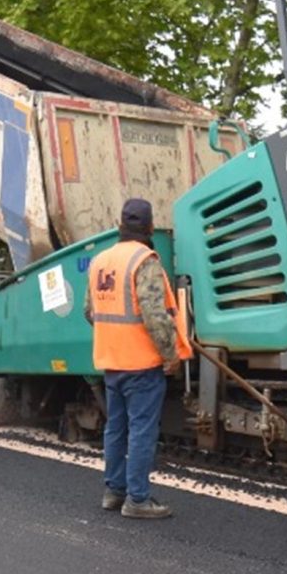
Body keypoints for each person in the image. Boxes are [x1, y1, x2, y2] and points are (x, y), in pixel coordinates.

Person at [87, 197, 182, 519]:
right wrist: (171, 355)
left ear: (120, 226)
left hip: (111, 361)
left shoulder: (100, 261)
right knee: (142, 430)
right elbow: (155, 315)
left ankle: (114, 492)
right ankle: (138, 499)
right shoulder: (145, 261)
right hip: (141, 363)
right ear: (150, 227)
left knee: (116, 428)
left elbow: (90, 311)